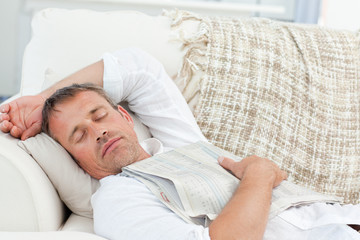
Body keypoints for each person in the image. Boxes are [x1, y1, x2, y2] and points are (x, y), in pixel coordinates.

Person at [1, 48, 360, 240]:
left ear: (124, 117)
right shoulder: (118, 199)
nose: (97, 132)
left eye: (98, 115)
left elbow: (139, 69)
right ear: (75, 160)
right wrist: (259, 175)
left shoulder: (179, 143)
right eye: (78, 135)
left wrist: (41, 98)